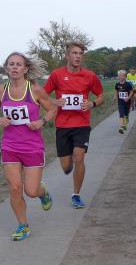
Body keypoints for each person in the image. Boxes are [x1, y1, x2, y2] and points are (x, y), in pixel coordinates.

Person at [0, 52, 57, 240]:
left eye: (19, 64)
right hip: (10, 146)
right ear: (6, 68)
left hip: (32, 146)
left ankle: (43, 192)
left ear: (25, 69)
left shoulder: (35, 90)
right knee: (15, 188)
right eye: (11, 64)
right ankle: (23, 226)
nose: (15, 67)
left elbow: (52, 109)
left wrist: (42, 121)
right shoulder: (0, 91)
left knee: (31, 191)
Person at [44, 42, 105, 209]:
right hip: (62, 125)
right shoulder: (57, 75)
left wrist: (92, 103)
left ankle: (76, 195)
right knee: (66, 167)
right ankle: (68, 157)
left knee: (79, 156)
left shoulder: (90, 76)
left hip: (81, 124)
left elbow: (101, 96)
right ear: (67, 55)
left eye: (80, 53)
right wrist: (55, 101)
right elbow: (42, 95)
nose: (78, 56)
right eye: (74, 53)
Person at [114, 69, 135, 134]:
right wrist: (115, 97)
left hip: (127, 102)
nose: (121, 77)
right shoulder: (117, 84)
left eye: (122, 75)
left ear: (125, 77)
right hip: (120, 102)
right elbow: (116, 91)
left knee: (126, 114)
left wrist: (128, 98)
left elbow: (131, 92)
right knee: (121, 114)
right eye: (119, 76)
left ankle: (126, 120)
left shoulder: (128, 84)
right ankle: (121, 127)